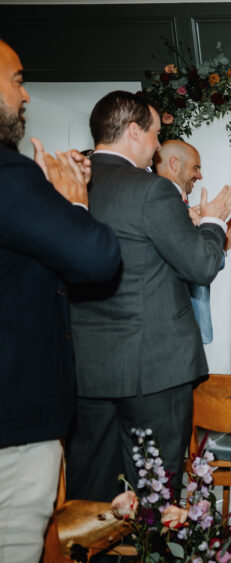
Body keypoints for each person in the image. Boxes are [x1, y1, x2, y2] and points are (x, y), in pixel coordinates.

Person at [66, 91, 231, 503]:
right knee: (156, 492)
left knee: (94, 495)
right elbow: (199, 265)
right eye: (157, 135)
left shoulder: (67, 183)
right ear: (133, 131)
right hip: (155, 370)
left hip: (87, 369)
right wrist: (213, 220)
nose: (159, 146)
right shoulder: (151, 191)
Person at [0, 40, 121, 562]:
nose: (24, 94)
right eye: (16, 78)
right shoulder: (8, 177)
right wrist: (72, 203)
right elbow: (96, 259)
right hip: (14, 421)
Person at [154, 139, 231, 344]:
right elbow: (196, 267)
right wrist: (214, 226)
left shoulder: (180, 204)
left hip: (184, 326)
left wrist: (222, 243)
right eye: (196, 168)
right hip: (173, 328)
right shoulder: (165, 205)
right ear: (174, 164)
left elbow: (191, 258)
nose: (200, 176)